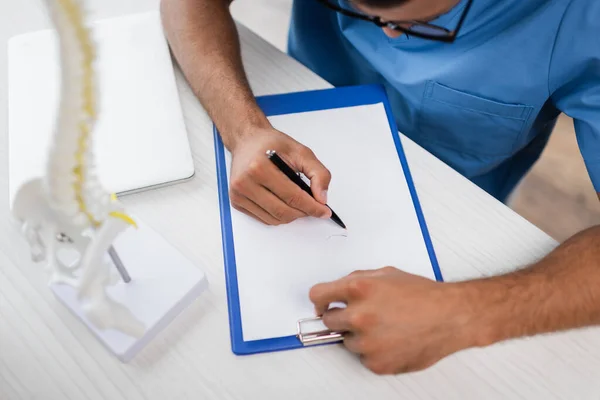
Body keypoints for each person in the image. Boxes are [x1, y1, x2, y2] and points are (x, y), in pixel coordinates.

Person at [160, 0, 600, 375]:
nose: (389, 38)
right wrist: (242, 128)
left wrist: (468, 311)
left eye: (423, 24)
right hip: (299, 101)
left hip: (460, 219)